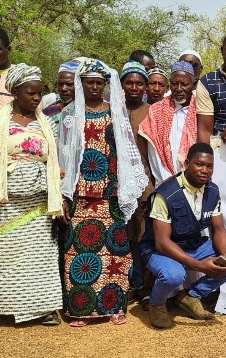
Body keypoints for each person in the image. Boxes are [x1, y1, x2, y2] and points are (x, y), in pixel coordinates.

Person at [0, 63, 63, 326]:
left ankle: (42, 308)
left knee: (38, 261)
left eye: (39, 93)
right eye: (30, 93)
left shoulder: (46, 125)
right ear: (15, 92)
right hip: (3, 202)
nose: (36, 98)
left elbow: (52, 162)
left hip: (38, 205)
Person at [58, 59, 149, 327]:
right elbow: (64, 154)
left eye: (99, 82)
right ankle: (81, 308)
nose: (95, 86)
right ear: (81, 83)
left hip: (110, 191)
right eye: (90, 82)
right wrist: (63, 192)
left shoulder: (115, 112)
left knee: (114, 250)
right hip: (80, 192)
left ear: (105, 84)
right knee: (79, 250)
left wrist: (127, 187)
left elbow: (125, 150)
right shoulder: (70, 113)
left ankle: (113, 306)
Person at [142, 143, 226, 329]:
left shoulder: (212, 190)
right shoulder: (166, 194)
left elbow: (219, 229)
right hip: (161, 250)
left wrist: (224, 258)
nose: (205, 170)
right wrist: (200, 266)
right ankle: (157, 304)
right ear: (187, 163)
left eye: (209, 166)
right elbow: (162, 243)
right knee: (174, 275)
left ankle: (191, 296)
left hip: (193, 244)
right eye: (199, 164)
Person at [120, 61, 155, 301]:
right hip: (117, 183)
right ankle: (124, 284)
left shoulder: (153, 112)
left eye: (139, 83)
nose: (134, 87)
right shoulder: (112, 109)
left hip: (144, 183)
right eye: (129, 82)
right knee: (123, 235)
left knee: (143, 234)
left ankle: (144, 286)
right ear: (122, 84)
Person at [141, 61, 201, 185]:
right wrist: (168, 182)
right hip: (164, 182)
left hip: (194, 182)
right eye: (174, 84)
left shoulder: (202, 109)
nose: (179, 89)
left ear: (194, 85)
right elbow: (154, 152)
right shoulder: (157, 110)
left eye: (184, 84)